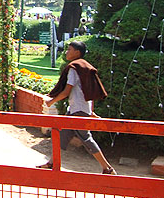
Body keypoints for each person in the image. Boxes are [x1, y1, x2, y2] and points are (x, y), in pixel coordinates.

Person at [39, 40, 116, 174]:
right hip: (78, 109)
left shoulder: (74, 68)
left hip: (78, 110)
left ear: (77, 52)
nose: (67, 52)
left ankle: (107, 168)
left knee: (86, 138)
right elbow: (89, 91)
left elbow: (67, 91)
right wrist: (90, 111)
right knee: (63, 136)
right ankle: (52, 163)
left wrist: (51, 101)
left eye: (69, 49)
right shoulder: (85, 67)